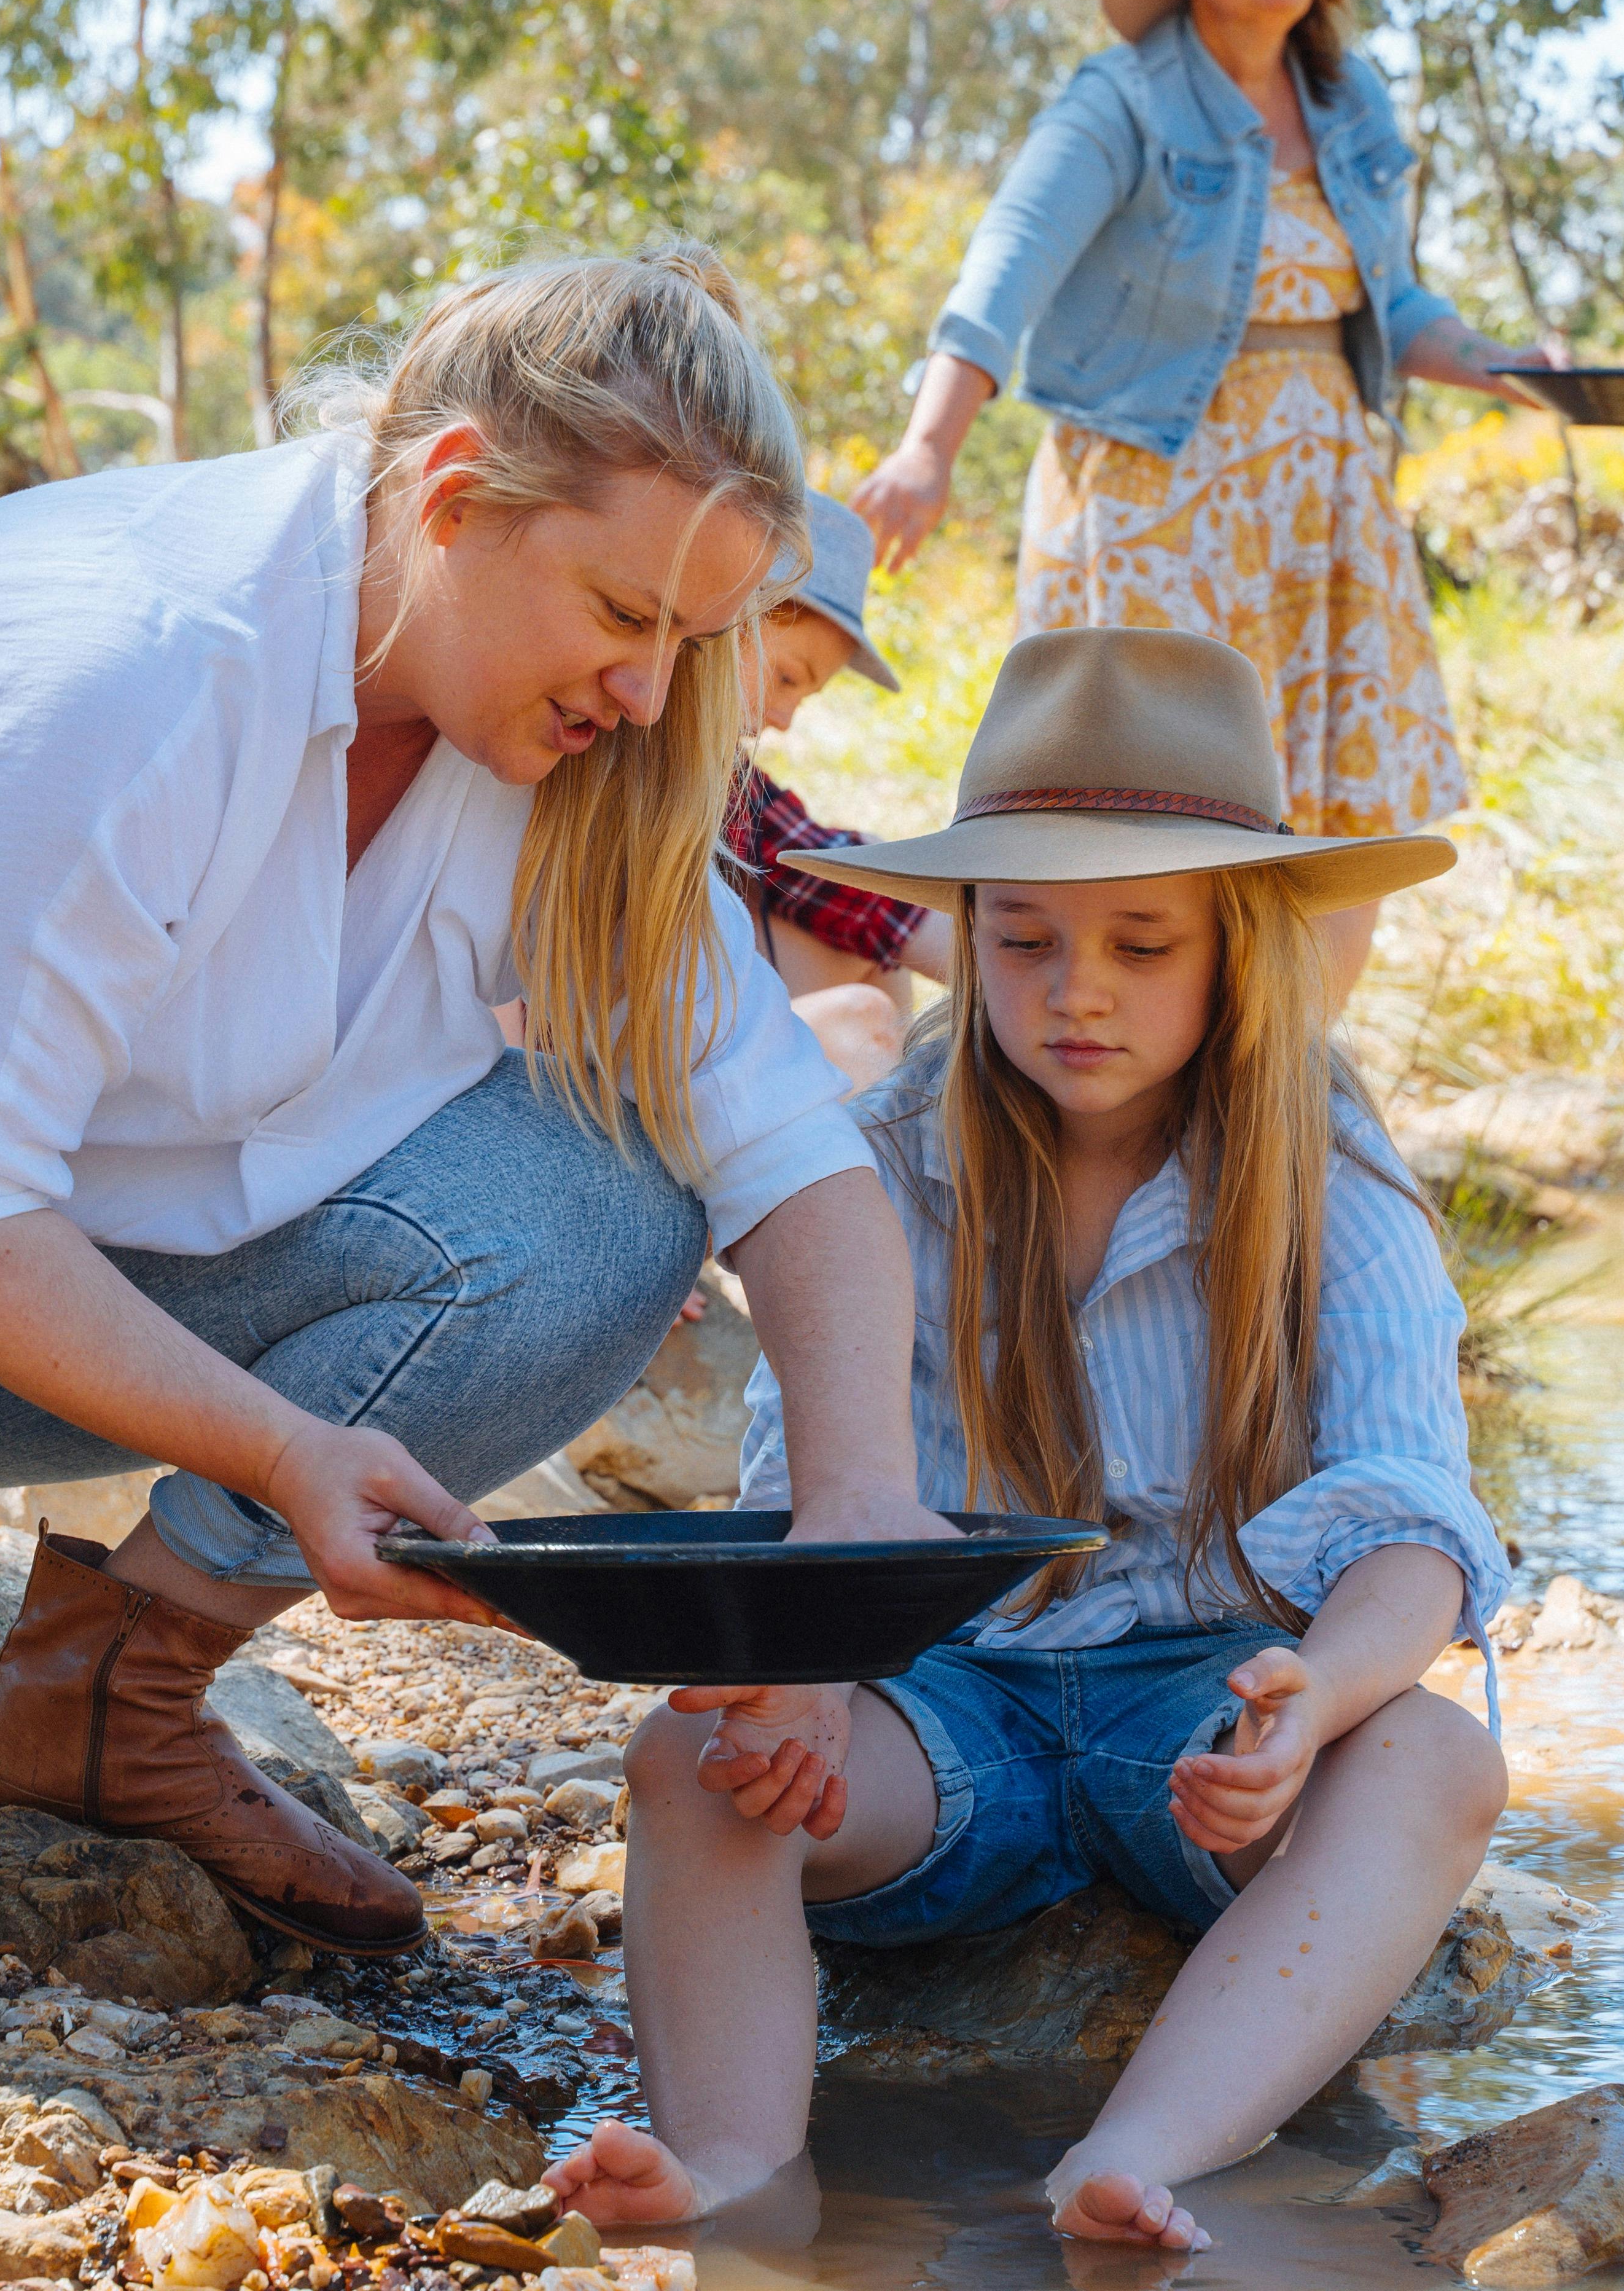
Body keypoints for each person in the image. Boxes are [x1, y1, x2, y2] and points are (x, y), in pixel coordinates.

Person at [0, 244, 945, 1992]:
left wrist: (856, 1531)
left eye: (698, 638)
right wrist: (286, 1450)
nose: (658, 695)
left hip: (8, 1328)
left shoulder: (572, 755)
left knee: (609, 1199)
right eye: (627, 616)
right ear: (452, 498)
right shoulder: (132, 658)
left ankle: (108, 1706)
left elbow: (789, 1154)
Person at [548, 627, 1512, 2252]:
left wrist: (1318, 1702)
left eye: (1143, 943)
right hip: (943, 1712)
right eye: (1025, 940)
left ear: (1238, 946)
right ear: (964, 937)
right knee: (687, 1764)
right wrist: (799, 1685)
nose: (1078, 993)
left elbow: (1416, 1514)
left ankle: (1129, 2161)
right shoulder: (876, 1164)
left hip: (1211, 1713)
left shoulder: (1329, 1175)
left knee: (1437, 1757)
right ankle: (730, 2171)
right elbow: (811, 1499)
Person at [845, 0, 1560, 1011]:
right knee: (1142, 816)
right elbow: (1004, 273)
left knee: (1328, 820)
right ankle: (1111, 1089)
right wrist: (929, 448)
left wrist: (1509, 369)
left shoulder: (1349, 101)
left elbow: (1393, 302)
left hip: (1321, 504)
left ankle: (1291, 1101)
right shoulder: (1121, 101)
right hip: (1152, 498)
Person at [724, 493, 955, 1092]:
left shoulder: (726, 779)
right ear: (730, 612)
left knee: (865, 878)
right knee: (864, 1021)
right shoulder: (651, 755)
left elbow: (815, 865)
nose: (784, 718)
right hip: (633, 1055)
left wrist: (1018, 963)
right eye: (787, 677)